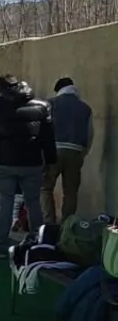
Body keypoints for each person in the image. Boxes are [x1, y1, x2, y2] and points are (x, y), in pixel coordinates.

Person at [0, 75, 55, 253]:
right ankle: (38, 239)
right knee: (33, 202)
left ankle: (0, 241)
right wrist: (50, 159)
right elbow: (48, 136)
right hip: (32, 162)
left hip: (4, 162)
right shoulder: (42, 106)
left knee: (6, 203)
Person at [43, 77, 93, 224]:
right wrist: (83, 153)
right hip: (76, 151)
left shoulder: (50, 104)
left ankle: (49, 223)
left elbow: (44, 130)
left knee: (45, 188)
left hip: (54, 150)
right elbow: (90, 134)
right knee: (71, 191)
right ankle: (66, 225)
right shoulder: (85, 108)